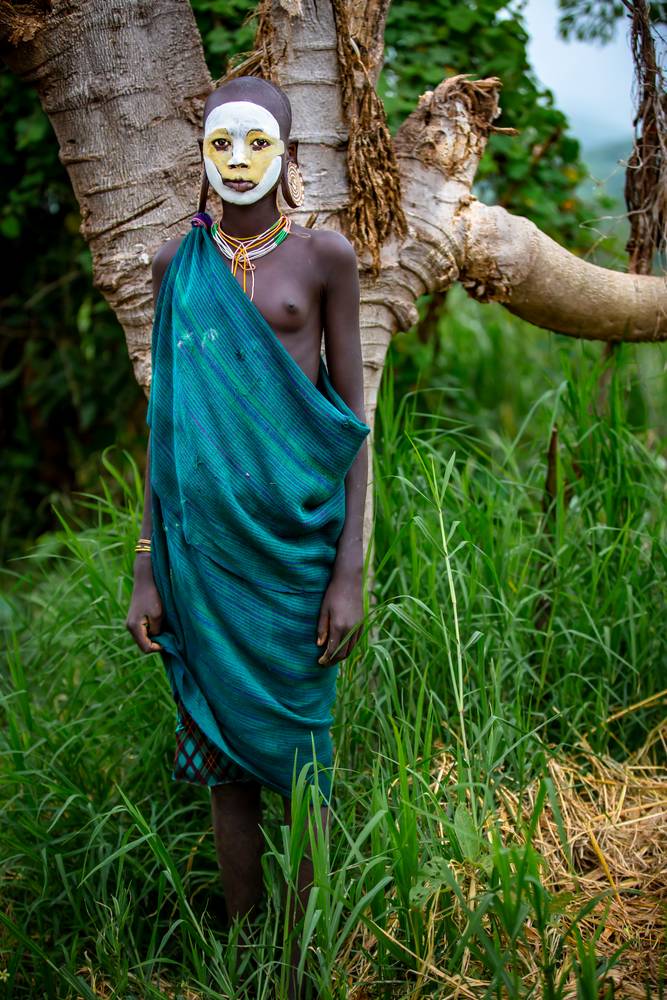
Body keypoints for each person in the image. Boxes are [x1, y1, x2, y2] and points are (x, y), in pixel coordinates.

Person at [125, 74, 371, 995]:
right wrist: (147, 566)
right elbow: (167, 427)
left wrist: (348, 570)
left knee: (300, 758)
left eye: (254, 143)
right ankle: (244, 955)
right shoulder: (172, 267)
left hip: (297, 553)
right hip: (200, 558)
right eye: (220, 143)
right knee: (226, 764)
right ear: (200, 152)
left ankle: (307, 959)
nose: (236, 162)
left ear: (287, 151)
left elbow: (349, 423)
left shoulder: (323, 260)